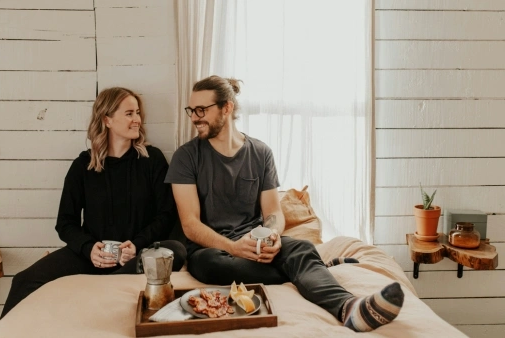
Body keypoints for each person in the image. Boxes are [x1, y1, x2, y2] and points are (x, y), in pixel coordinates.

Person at [164, 75, 404, 332]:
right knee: (215, 267)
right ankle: (316, 268)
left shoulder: (260, 152)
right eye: (191, 110)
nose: (194, 117)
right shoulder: (186, 157)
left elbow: (273, 212)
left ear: (227, 107)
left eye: (202, 110)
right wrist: (234, 248)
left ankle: (349, 308)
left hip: (256, 243)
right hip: (212, 251)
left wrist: (273, 235)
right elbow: (190, 225)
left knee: (300, 247)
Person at [0, 87, 186, 319]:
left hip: (137, 255)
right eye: (129, 113)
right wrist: (89, 249)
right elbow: (65, 223)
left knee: (175, 250)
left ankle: (106, 283)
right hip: (93, 257)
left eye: (138, 112)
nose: (137, 119)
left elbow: (166, 214)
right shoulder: (83, 165)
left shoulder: (152, 160)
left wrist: (136, 245)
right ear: (107, 119)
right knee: (23, 280)